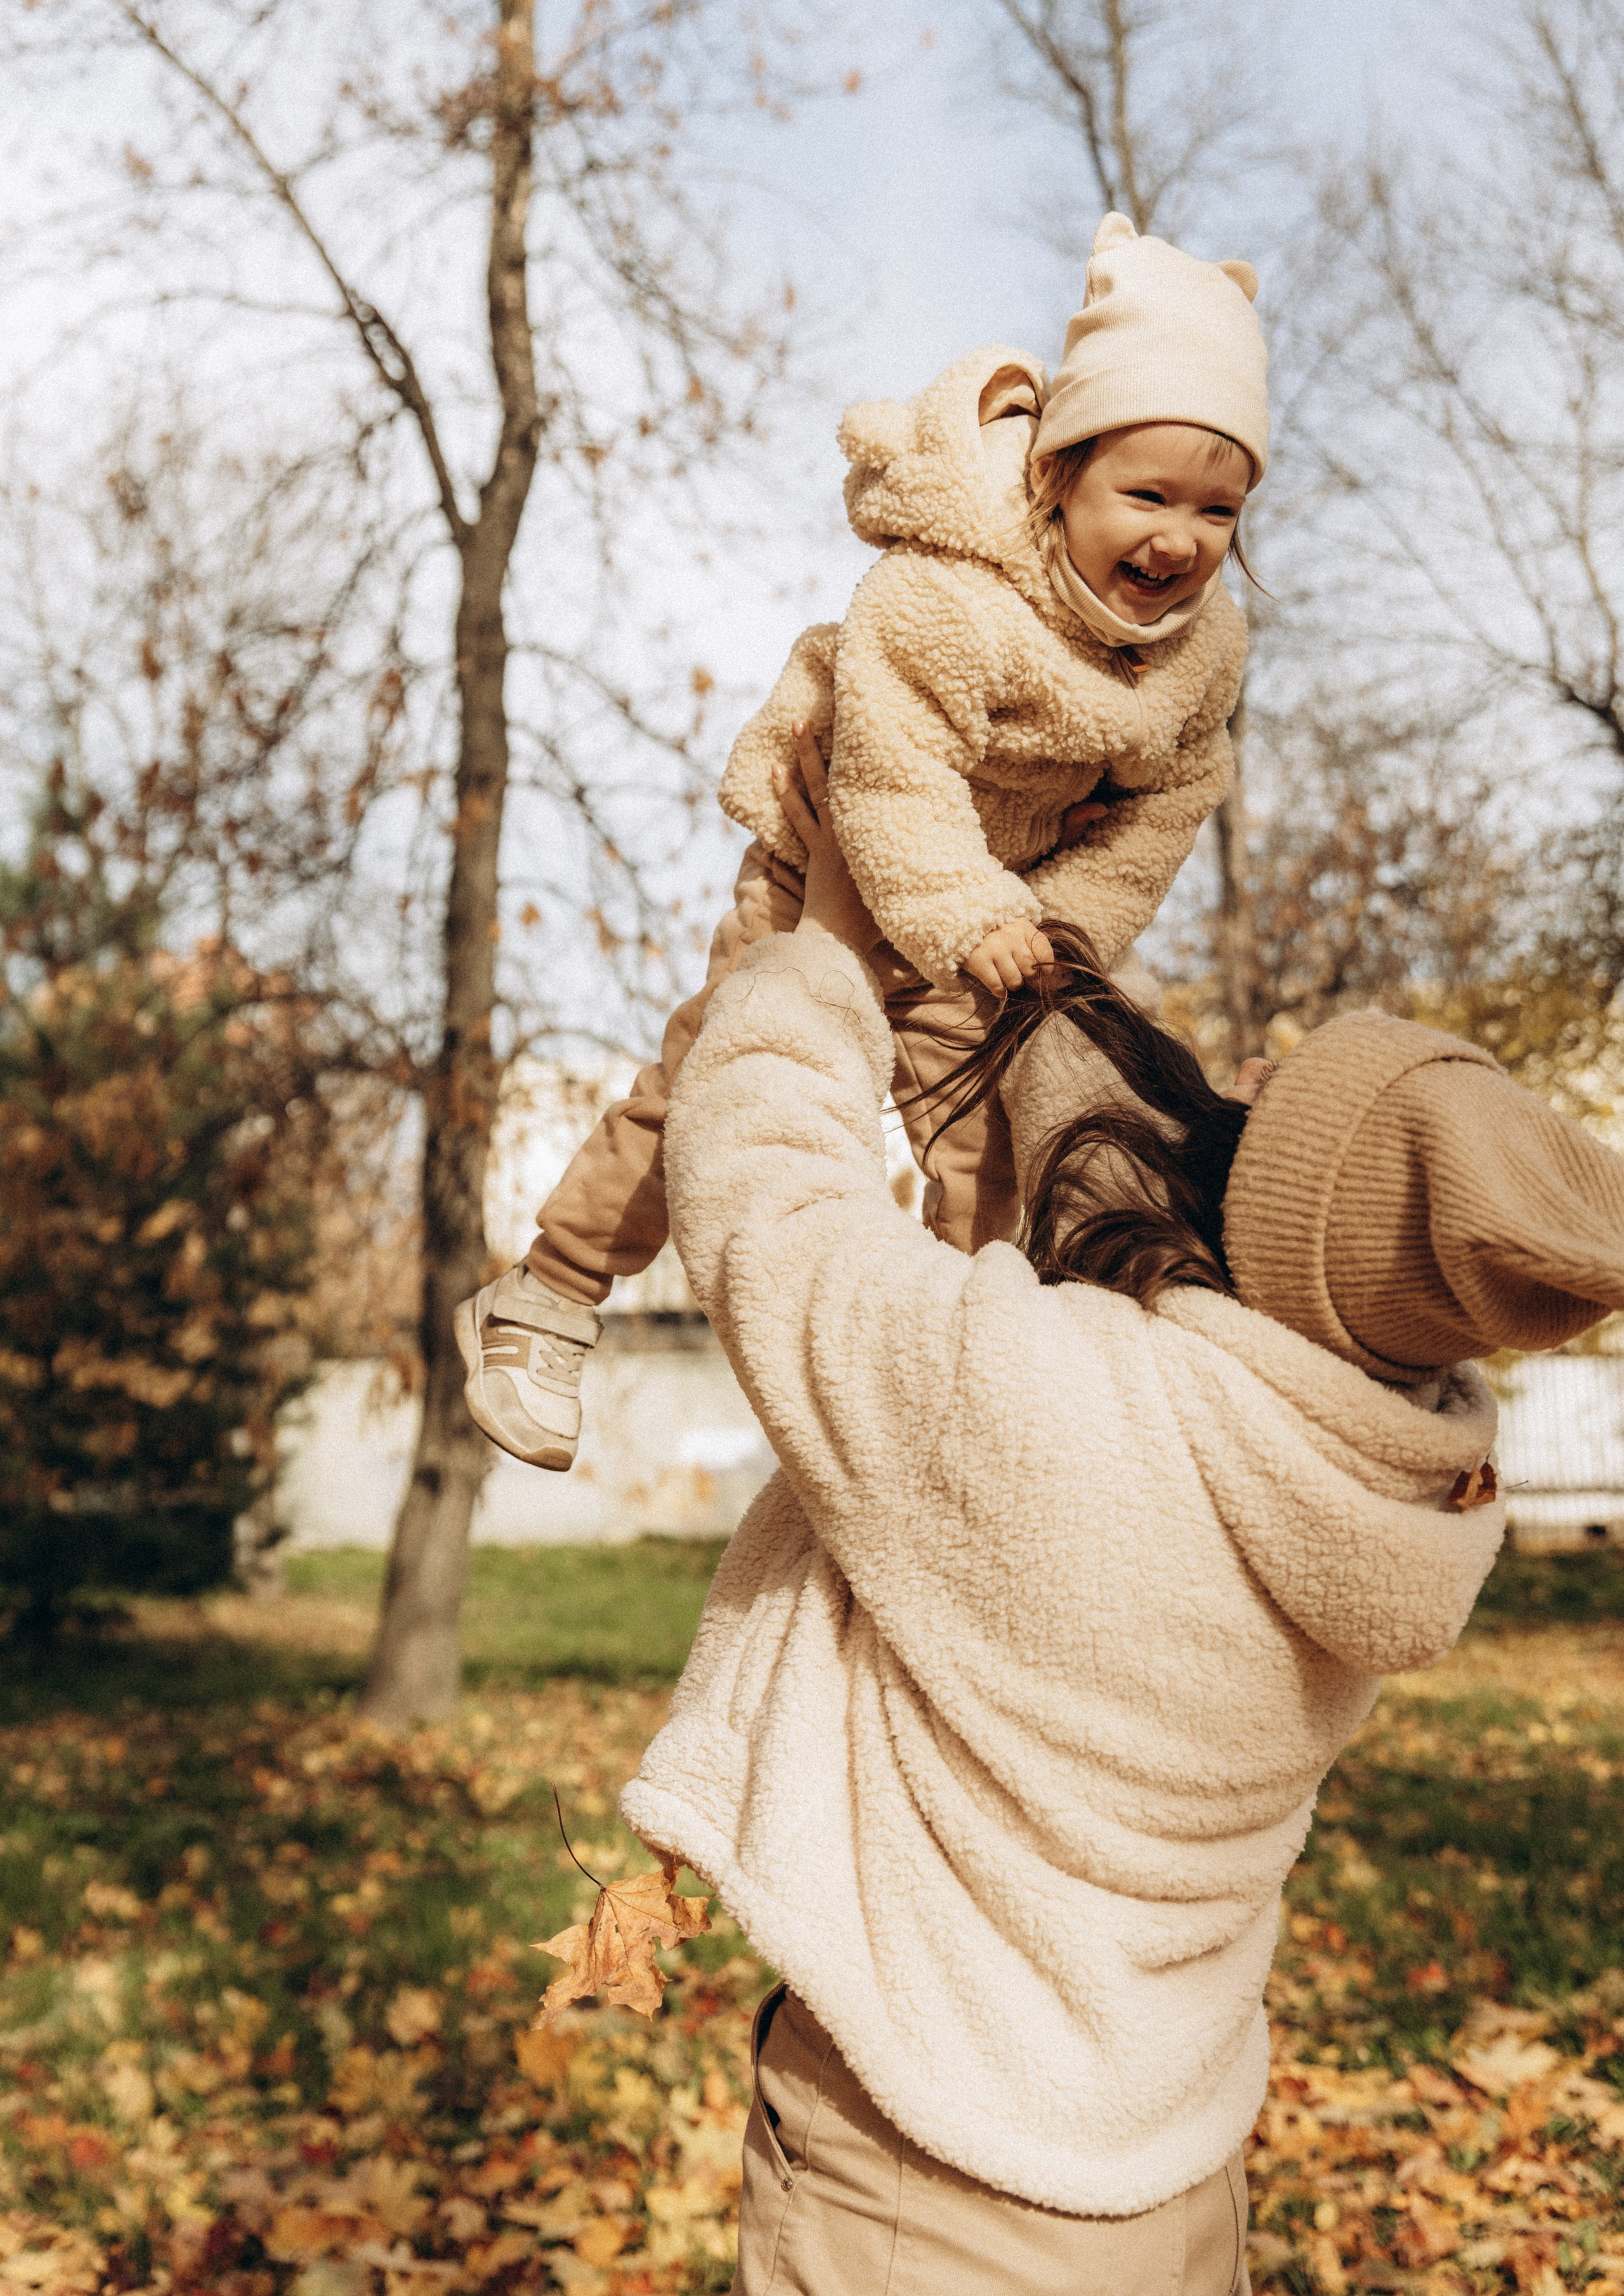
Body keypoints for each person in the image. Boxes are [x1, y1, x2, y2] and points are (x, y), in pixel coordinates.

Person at [615, 729, 1624, 2295]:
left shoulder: (1054, 1415)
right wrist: (1010, 925)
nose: (1232, 1088)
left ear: (1265, 1209)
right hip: (1170, 2181)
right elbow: (1130, 1192)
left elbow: (770, 1209)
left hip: (927, 2187)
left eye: (1265, 1111)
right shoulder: (1372, 1488)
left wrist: (819, 945)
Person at [455, 210, 1270, 1471]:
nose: (1180, 538)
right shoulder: (945, 593)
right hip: (830, 872)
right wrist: (967, 910)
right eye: (1147, 495)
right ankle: (549, 1293)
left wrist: (1057, 927)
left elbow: (1170, 808)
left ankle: (973, 1372)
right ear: (1057, 477)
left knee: (998, 1140)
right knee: (712, 1082)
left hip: (998, 917)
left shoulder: (1200, 653)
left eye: (1218, 510)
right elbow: (888, 776)